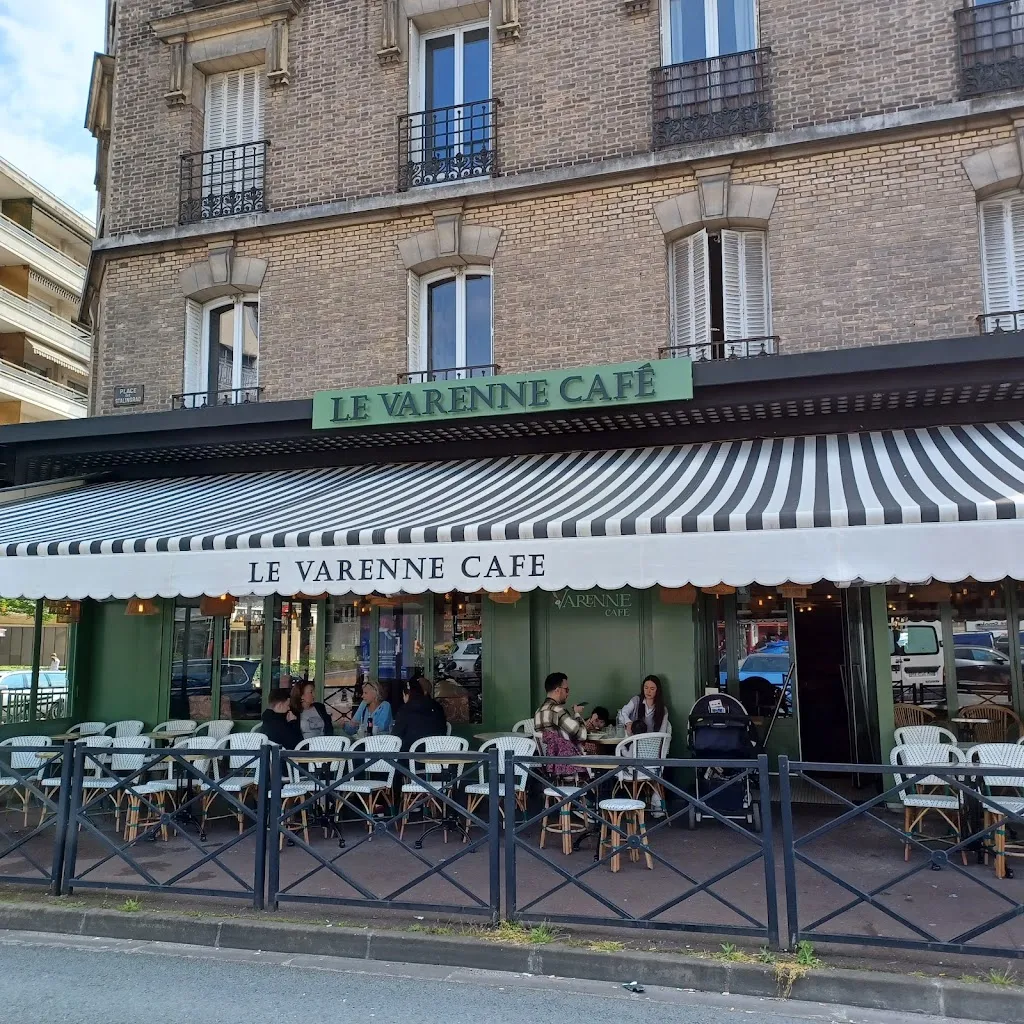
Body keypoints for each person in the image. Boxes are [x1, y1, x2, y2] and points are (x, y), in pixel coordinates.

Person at [533, 672, 588, 745]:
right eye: (566, 690)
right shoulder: (558, 711)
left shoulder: (538, 711)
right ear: (558, 690)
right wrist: (577, 714)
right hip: (564, 755)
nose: (567, 694)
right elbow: (582, 735)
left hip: (547, 755)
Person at [394, 678, 447, 750]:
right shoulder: (437, 706)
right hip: (436, 754)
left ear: (406, 694)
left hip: (410, 756)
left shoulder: (406, 709)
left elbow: (396, 736)